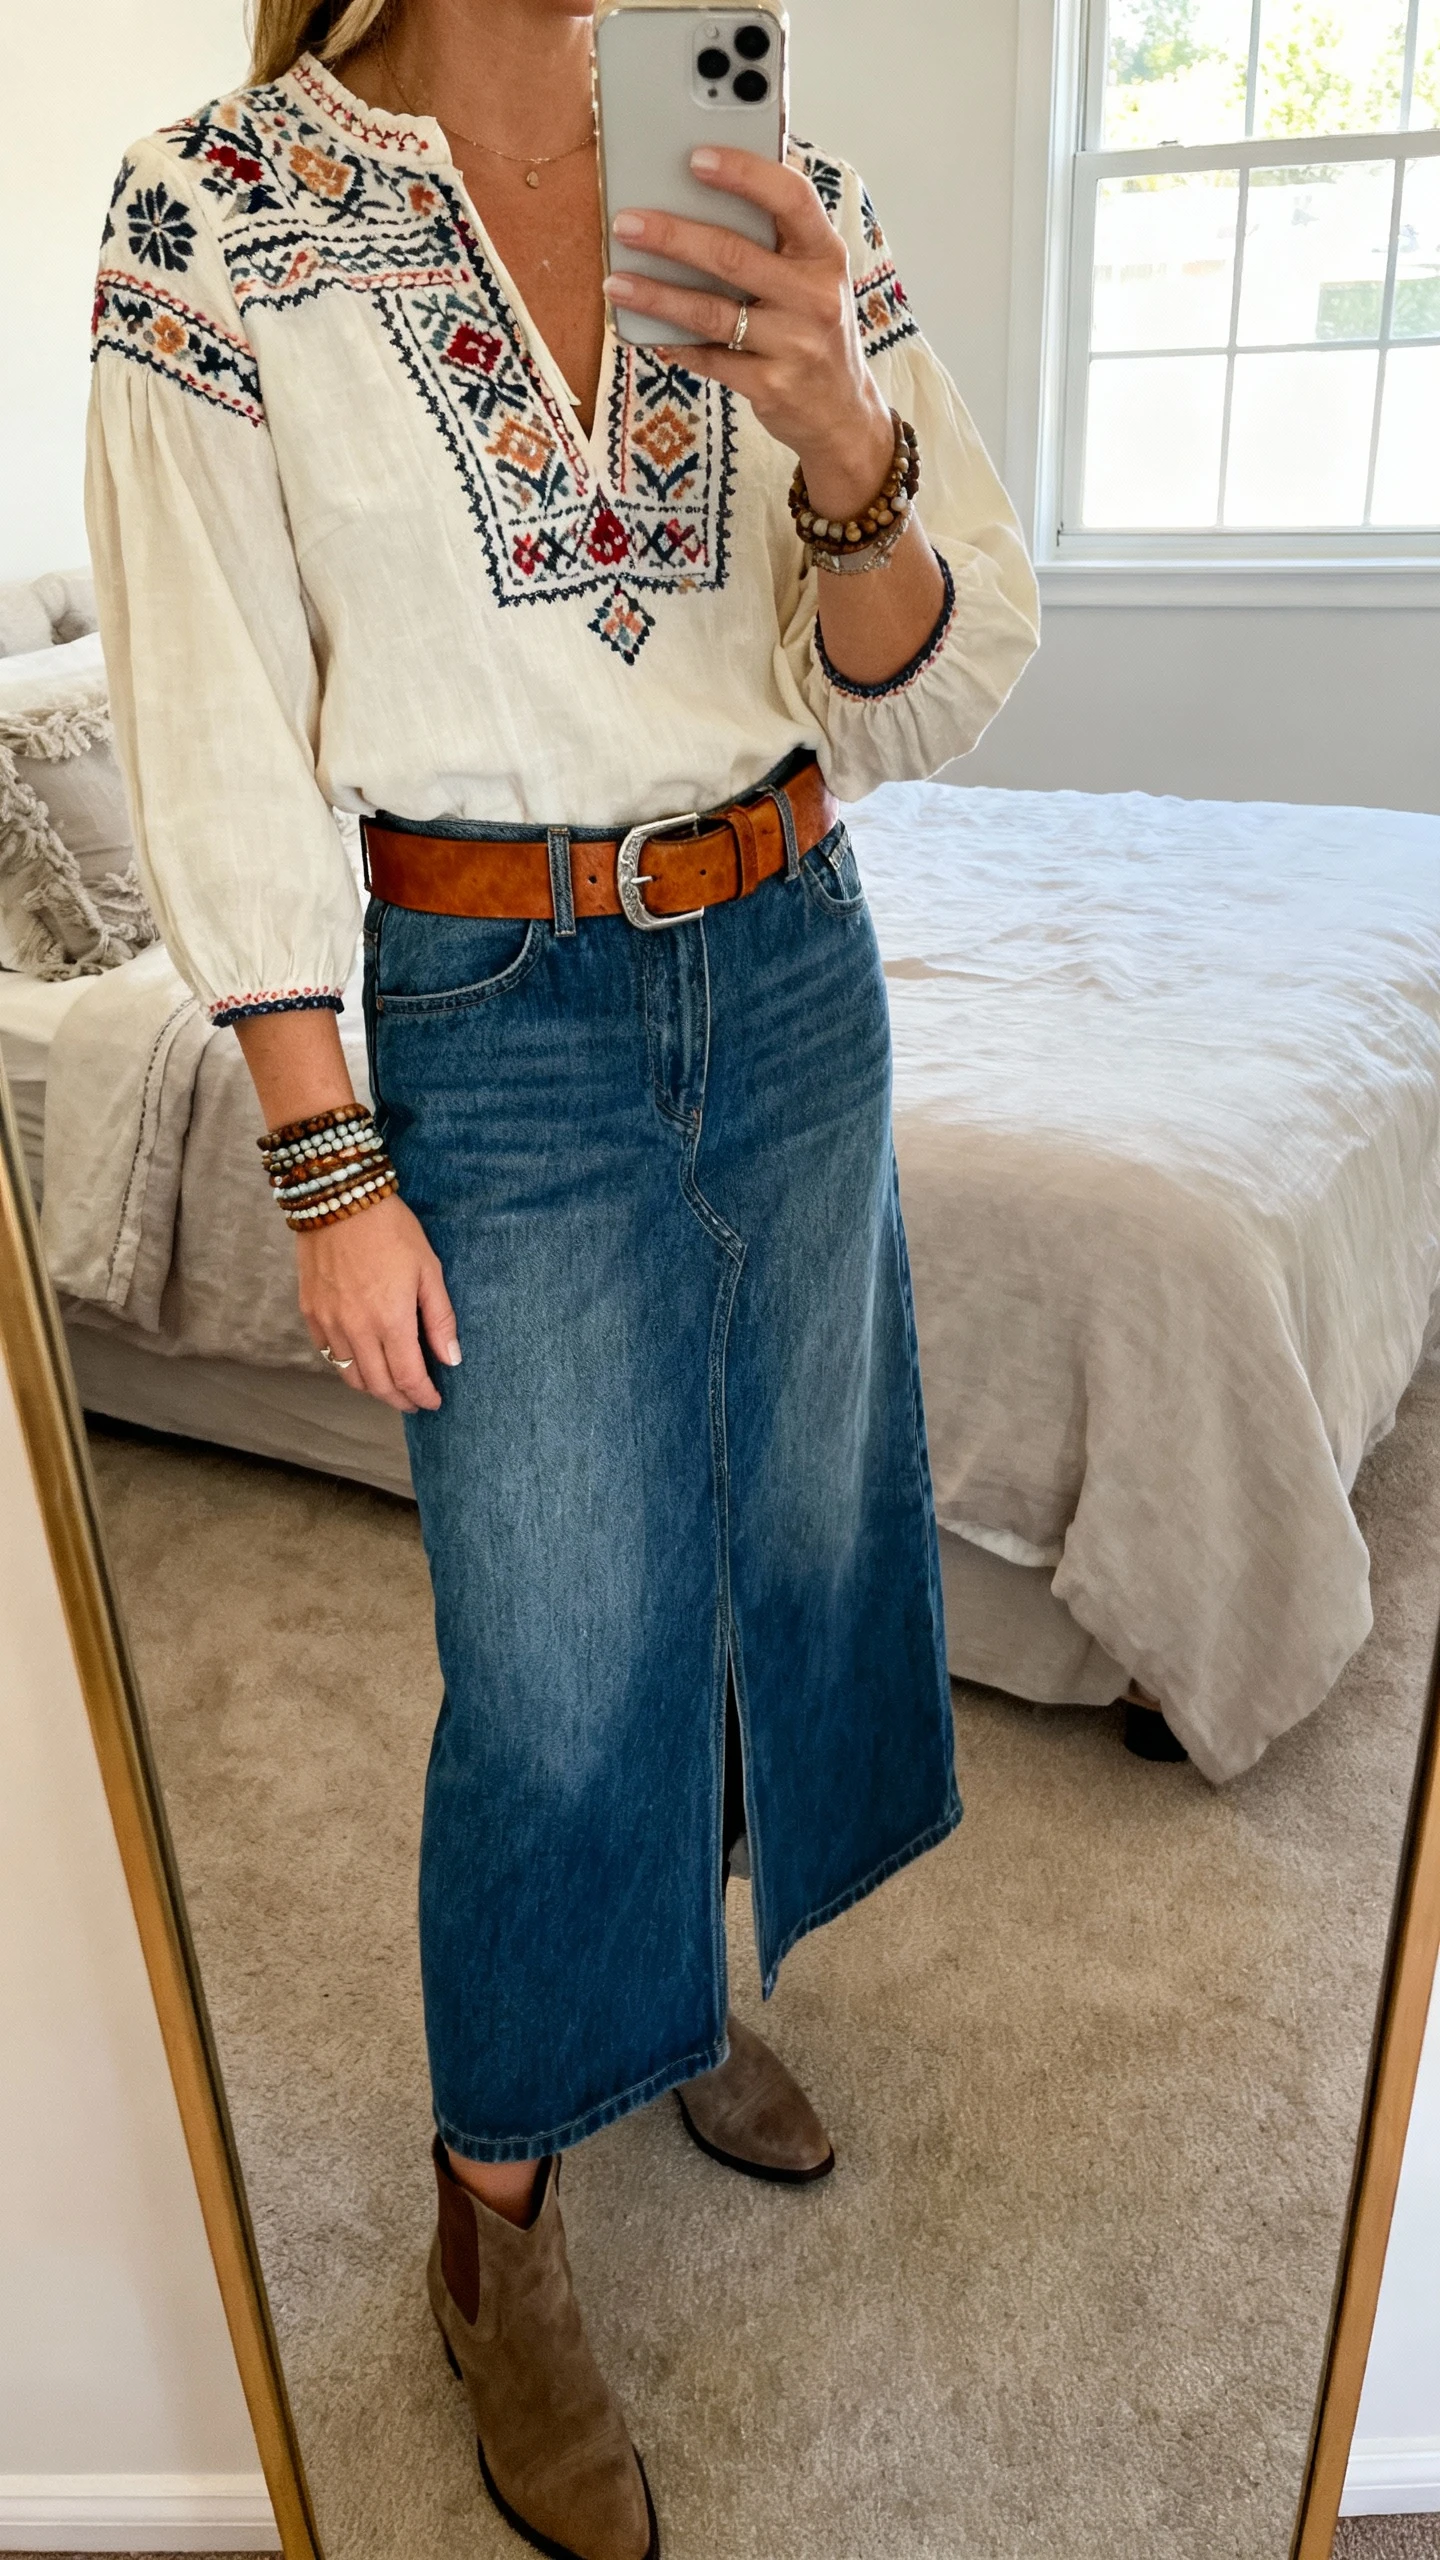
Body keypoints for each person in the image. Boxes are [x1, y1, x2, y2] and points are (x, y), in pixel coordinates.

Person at [87, 1, 1038, 2549]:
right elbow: (207, 717)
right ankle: (491, 2220)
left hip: (796, 946)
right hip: (485, 1013)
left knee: (789, 1522)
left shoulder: (764, 162)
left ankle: (674, 1990)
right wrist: (324, 1158)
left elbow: (934, 679)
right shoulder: (212, 210)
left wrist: (844, 429)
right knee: (551, 1648)